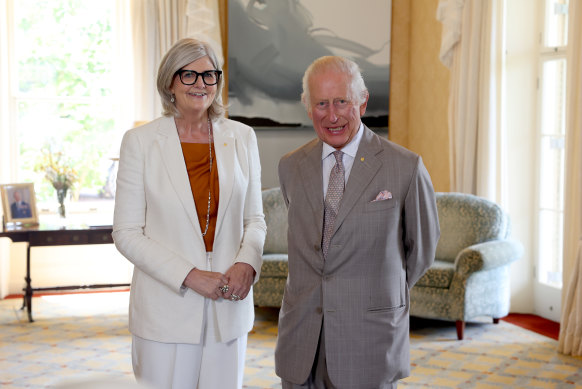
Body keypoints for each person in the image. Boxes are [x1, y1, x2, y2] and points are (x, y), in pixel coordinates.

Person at [274, 56, 440, 388]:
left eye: (341, 102)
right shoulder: (290, 167)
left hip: (369, 338)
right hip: (302, 337)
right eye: (321, 103)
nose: (331, 115)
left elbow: (420, 252)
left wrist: (372, 293)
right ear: (308, 107)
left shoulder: (405, 167)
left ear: (362, 102)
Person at [112, 38, 266, 389]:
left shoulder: (243, 137)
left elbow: (254, 219)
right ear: (170, 82)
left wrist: (248, 263)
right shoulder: (140, 142)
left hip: (229, 301)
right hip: (167, 306)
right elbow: (126, 232)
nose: (201, 84)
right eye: (189, 75)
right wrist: (189, 275)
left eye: (209, 75)